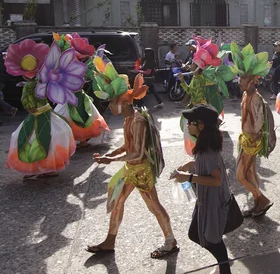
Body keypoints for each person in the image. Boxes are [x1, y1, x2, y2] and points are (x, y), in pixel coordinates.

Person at [86, 67, 178, 258]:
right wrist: (110, 154)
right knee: (118, 202)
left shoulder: (137, 121)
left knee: (154, 206)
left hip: (142, 171)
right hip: (131, 169)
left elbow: (136, 152)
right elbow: (127, 146)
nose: (109, 106)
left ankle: (170, 241)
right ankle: (110, 241)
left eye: (112, 102)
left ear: (124, 102)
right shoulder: (128, 119)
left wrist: (110, 159)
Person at [171, 104, 233, 273]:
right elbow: (207, 164)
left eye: (191, 122)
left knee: (209, 238)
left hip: (213, 201)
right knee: (199, 234)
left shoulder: (206, 152)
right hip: (206, 199)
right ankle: (223, 265)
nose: (187, 125)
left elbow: (216, 180)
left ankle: (225, 268)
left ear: (201, 126)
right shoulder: (204, 146)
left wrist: (188, 177)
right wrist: (190, 164)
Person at [5, 39, 77, 178]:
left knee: (28, 139)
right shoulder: (44, 81)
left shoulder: (29, 86)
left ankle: (35, 167)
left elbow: (27, 104)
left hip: (37, 115)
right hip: (47, 113)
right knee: (54, 137)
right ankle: (48, 168)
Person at [231, 42, 275, 217]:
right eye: (239, 78)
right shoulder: (244, 95)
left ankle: (261, 199)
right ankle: (258, 203)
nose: (239, 81)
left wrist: (253, 137)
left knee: (240, 175)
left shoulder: (255, 98)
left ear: (251, 81)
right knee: (250, 172)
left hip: (251, 140)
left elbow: (259, 120)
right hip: (245, 138)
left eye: (243, 79)